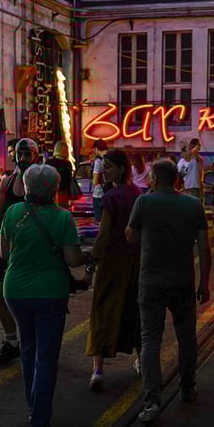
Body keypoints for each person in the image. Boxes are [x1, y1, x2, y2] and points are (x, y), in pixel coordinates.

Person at [0, 164, 85, 427]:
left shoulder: (13, 213)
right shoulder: (63, 218)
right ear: (54, 188)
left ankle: (33, 408)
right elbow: (73, 260)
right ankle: (40, 424)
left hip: (15, 291)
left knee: (28, 350)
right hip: (50, 293)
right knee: (46, 357)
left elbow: (3, 251)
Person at [126, 159, 211, 423]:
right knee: (186, 336)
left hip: (150, 281)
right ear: (177, 179)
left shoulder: (144, 202)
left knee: (151, 339)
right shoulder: (193, 205)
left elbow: (130, 235)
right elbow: (205, 248)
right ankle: (187, 387)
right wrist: (204, 282)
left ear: (152, 177)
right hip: (183, 281)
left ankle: (151, 402)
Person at [86, 149, 142, 391]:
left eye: (108, 166)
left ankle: (98, 369)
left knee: (102, 312)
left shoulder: (111, 198)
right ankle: (142, 360)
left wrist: (91, 261)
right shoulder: (138, 193)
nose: (104, 171)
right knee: (135, 311)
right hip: (135, 262)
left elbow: (104, 234)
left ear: (121, 168)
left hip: (111, 263)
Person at [0, 138, 41, 365]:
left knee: (32, 297)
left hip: (32, 249)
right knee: (1, 294)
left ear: (36, 156)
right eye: (19, 154)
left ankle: (34, 341)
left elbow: (52, 213)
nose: (22, 159)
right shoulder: (6, 183)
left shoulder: (41, 182)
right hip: (7, 247)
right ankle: (12, 341)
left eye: (27, 154)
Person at [47, 141, 74, 208]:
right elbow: (69, 181)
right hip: (63, 193)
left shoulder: (49, 162)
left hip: (50, 193)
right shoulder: (67, 164)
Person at [92, 139, 109, 224]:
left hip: (99, 193)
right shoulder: (110, 158)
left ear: (96, 149)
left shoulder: (98, 161)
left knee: (99, 221)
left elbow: (95, 181)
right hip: (109, 192)